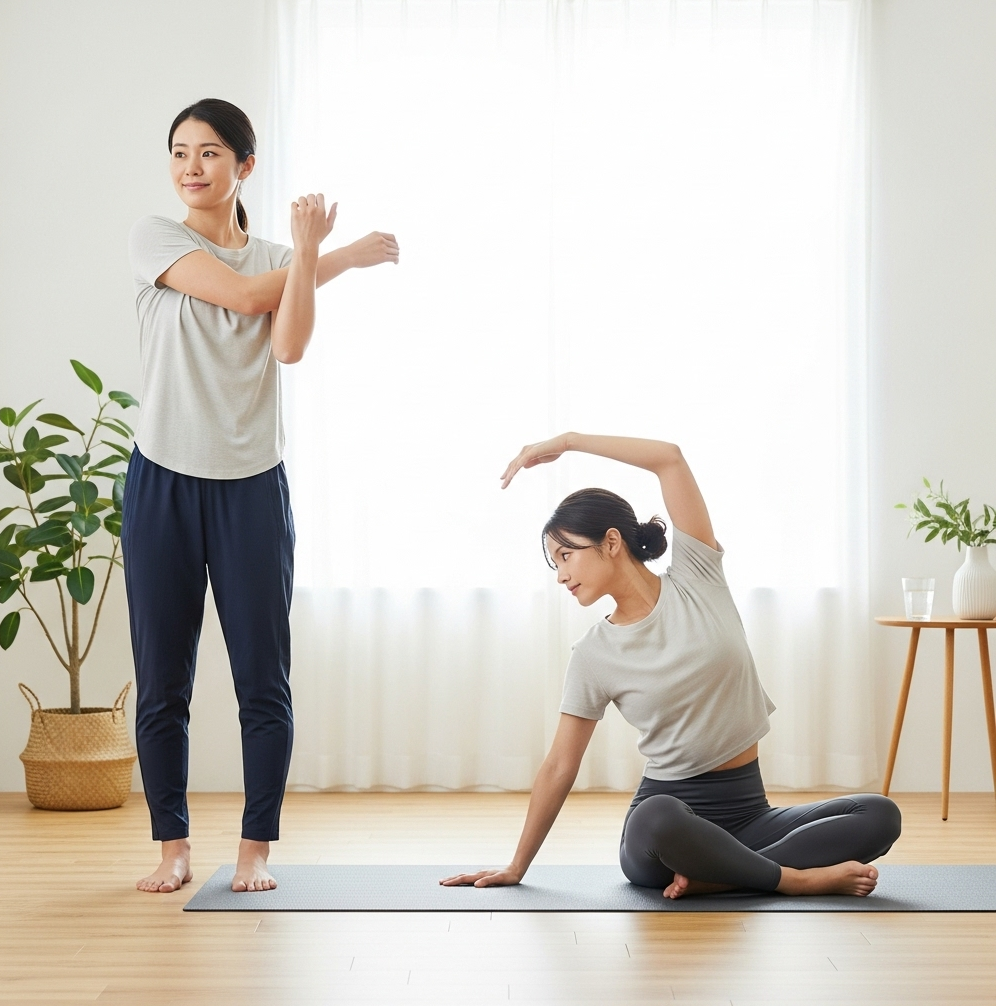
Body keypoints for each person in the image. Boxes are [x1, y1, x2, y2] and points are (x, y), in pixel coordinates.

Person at [123, 98, 399, 894]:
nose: (190, 167)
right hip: (163, 482)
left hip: (251, 488)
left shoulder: (281, 257)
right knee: (163, 678)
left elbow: (289, 344)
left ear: (245, 166)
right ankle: (172, 846)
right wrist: (335, 254)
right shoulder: (156, 238)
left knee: (263, 680)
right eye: (179, 151)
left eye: (210, 153)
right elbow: (244, 300)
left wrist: (309, 257)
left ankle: (255, 850)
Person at [442, 434, 900, 899]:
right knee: (657, 815)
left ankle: (717, 877)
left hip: (750, 816)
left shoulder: (697, 574)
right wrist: (517, 866)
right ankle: (793, 880)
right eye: (554, 563)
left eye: (566, 555)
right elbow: (561, 764)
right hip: (666, 832)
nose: (559, 574)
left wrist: (570, 442)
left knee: (880, 816)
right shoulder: (594, 653)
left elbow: (669, 459)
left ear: (612, 542)